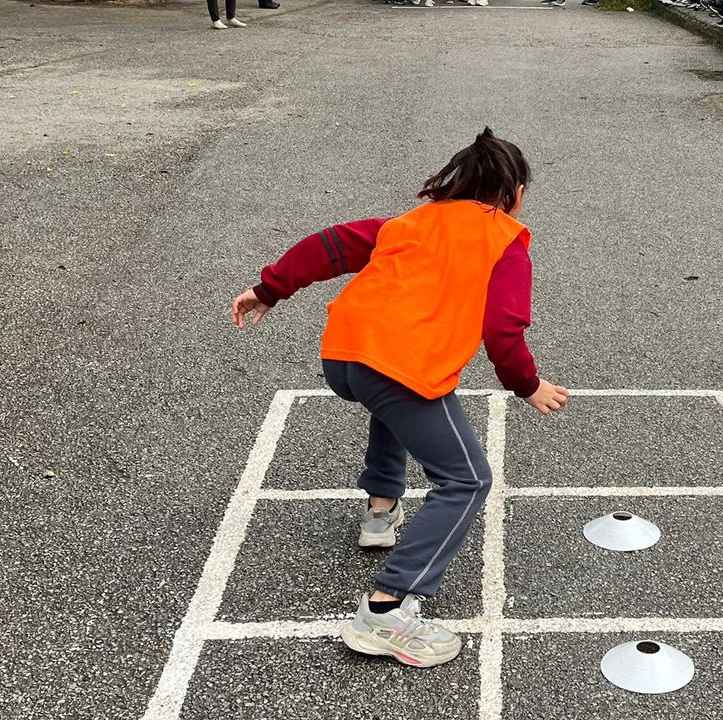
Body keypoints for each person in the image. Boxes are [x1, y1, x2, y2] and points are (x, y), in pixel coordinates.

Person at [230, 128, 570, 666]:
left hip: (343, 354)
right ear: (516, 193)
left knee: (392, 409)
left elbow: (330, 245)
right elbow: (503, 332)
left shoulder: (409, 222)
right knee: (467, 479)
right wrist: (527, 385)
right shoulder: (504, 239)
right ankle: (386, 611)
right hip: (398, 365)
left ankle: (380, 511)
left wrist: (270, 288)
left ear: (455, 185)